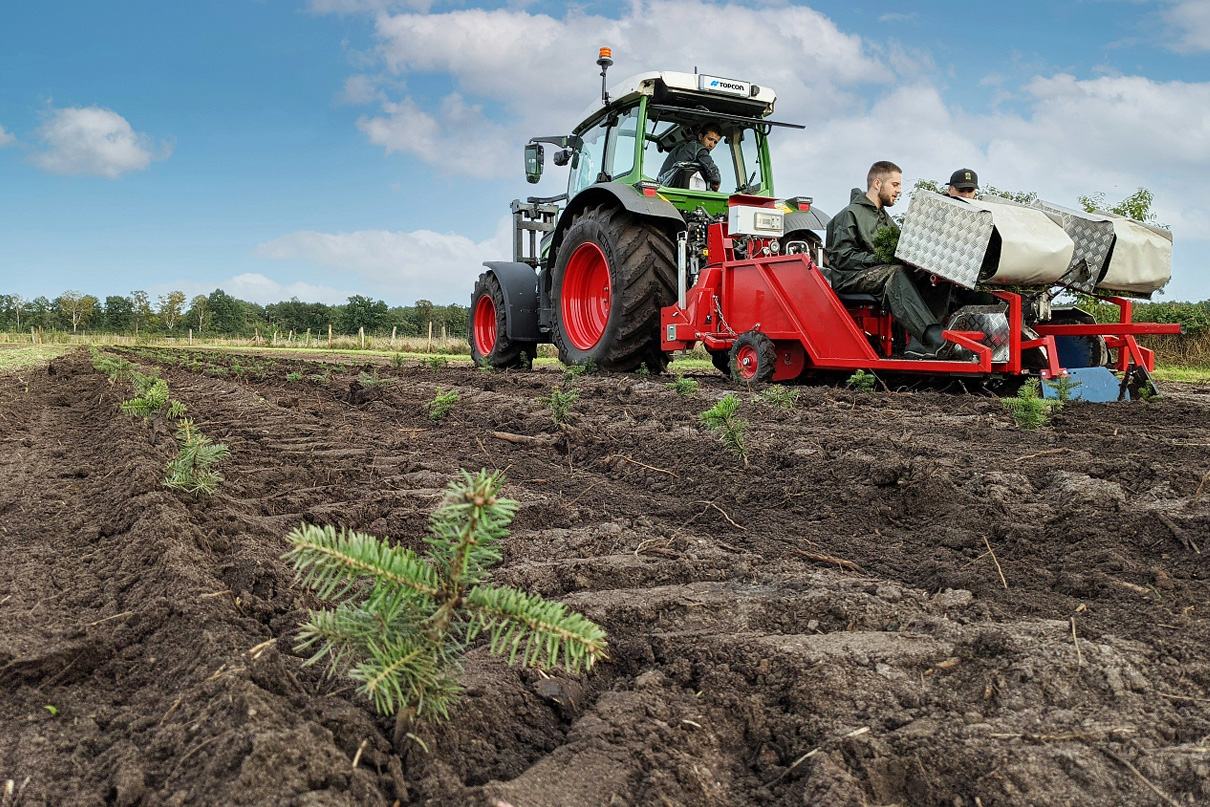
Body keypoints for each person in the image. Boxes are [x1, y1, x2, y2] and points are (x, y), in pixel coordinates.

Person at [824, 160, 952, 358]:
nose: (899, 190)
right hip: (850, 278)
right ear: (877, 183)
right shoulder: (849, 214)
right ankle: (932, 335)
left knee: (933, 277)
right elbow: (842, 258)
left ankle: (919, 344)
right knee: (896, 274)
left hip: (879, 273)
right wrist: (881, 258)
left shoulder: (884, 217)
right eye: (895, 184)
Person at [658, 122, 722, 192]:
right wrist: (716, 182)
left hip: (663, 185)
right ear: (700, 136)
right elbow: (711, 168)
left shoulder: (686, 147)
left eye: (715, 142)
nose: (711, 145)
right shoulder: (698, 148)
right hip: (671, 187)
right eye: (710, 139)